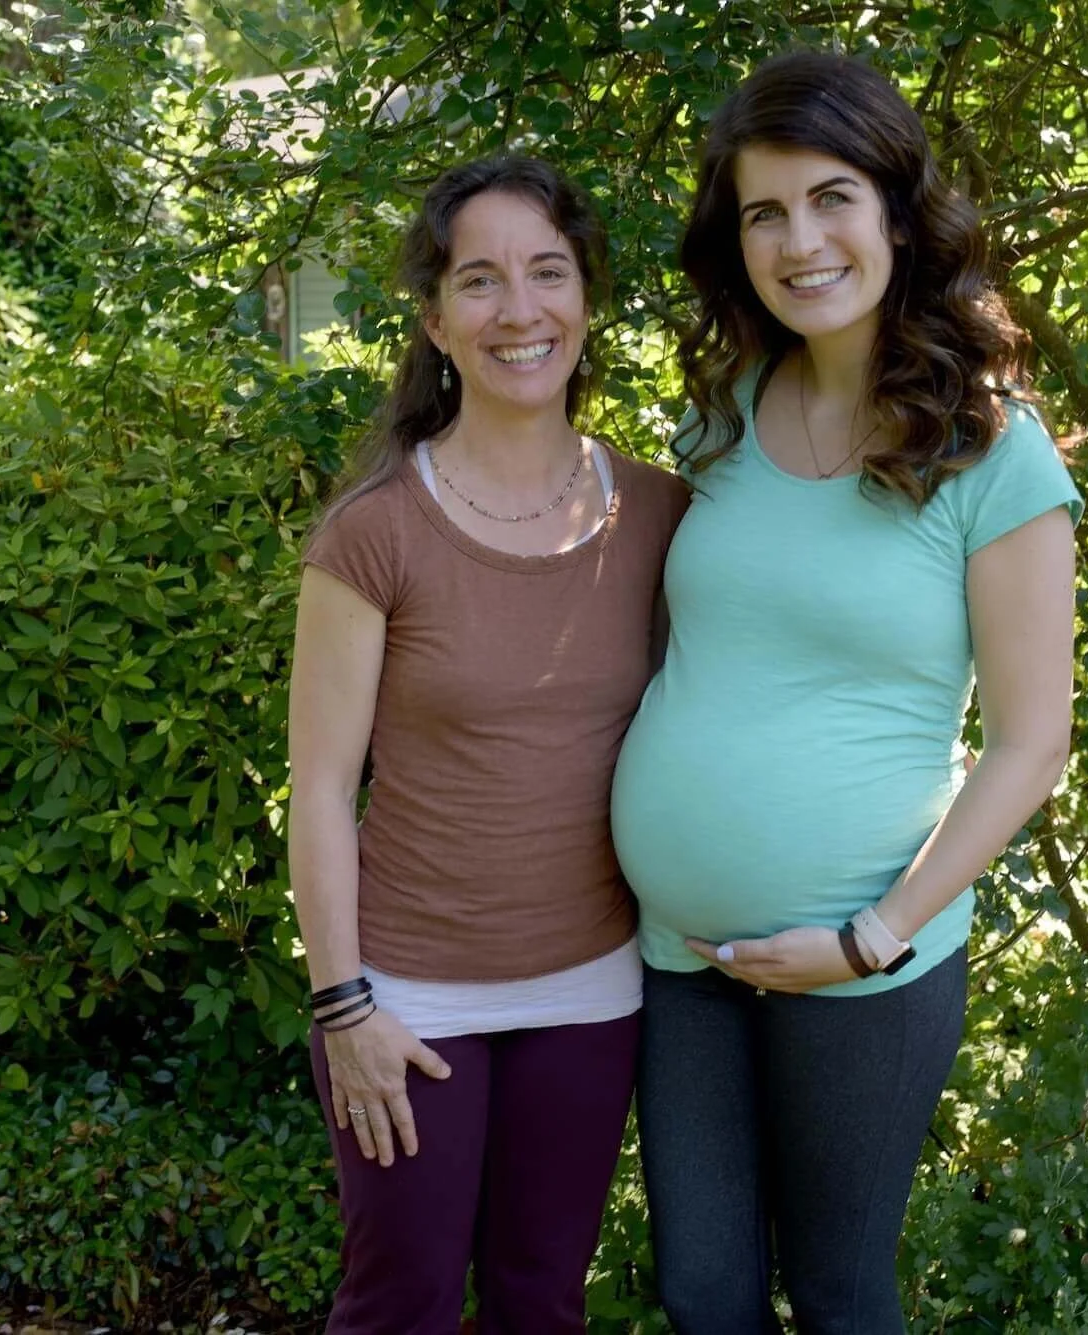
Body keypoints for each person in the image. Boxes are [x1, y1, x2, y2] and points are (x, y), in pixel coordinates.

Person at [609, 51, 1082, 1333]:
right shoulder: (722, 415)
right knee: (701, 1292)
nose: (798, 240)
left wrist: (870, 935)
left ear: (892, 213)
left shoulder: (990, 448)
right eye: (763, 212)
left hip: (861, 967)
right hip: (678, 953)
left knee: (834, 1295)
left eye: (829, 199)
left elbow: (1033, 742)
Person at [286, 155, 688, 1334]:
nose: (519, 310)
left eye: (547, 273)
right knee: (398, 1307)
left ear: (585, 298)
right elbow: (315, 787)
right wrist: (343, 1007)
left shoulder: (659, 514)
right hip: (406, 999)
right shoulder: (372, 535)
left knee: (538, 1303)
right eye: (479, 281)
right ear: (434, 321)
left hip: (590, 992)